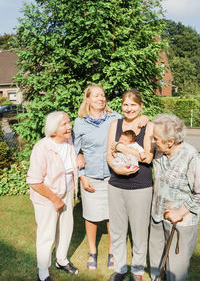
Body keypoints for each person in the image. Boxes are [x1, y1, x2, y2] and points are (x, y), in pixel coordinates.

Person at [73, 84, 148, 270]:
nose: (101, 98)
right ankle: (92, 252)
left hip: (113, 175)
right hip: (90, 175)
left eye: (103, 95)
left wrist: (144, 117)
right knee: (90, 216)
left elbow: (133, 119)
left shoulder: (115, 119)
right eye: (96, 96)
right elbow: (74, 151)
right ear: (88, 99)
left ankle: (113, 252)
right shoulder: (80, 122)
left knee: (111, 217)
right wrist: (81, 176)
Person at [107, 89, 154, 281]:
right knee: (117, 230)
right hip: (116, 184)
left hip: (140, 186)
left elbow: (148, 157)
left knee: (139, 231)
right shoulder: (114, 125)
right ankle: (120, 268)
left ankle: (136, 271)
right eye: (125, 104)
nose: (129, 108)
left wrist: (121, 147)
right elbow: (109, 154)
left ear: (140, 106)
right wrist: (116, 169)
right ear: (121, 106)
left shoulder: (148, 126)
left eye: (133, 105)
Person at [27, 111, 79, 281]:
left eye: (68, 122)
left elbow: (73, 159)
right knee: (46, 234)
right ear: (53, 130)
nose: (69, 126)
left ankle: (61, 260)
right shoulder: (42, 147)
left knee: (66, 229)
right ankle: (43, 271)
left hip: (67, 193)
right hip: (47, 198)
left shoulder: (69, 142)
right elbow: (34, 181)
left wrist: (80, 156)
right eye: (64, 124)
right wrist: (55, 199)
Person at [149, 113, 200, 281]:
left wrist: (180, 212)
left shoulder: (191, 156)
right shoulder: (159, 150)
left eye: (155, 138)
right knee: (157, 264)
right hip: (158, 214)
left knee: (176, 271)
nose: (152, 141)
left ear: (170, 142)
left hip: (181, 221)